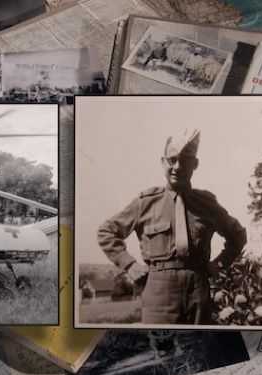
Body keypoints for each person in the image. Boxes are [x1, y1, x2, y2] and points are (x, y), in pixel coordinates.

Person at [97, 130, 247, 324]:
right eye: (172, 160)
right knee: (161, 345)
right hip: (159, 289)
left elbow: (237, 235)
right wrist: (129, 264)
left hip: (198, 288)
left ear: (195, 164)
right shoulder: (145, 203)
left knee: (200, 345)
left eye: (185, 160)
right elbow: (106, 232)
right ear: (163, 162)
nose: (178, 167)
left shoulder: (207, 204)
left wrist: (218, 264)